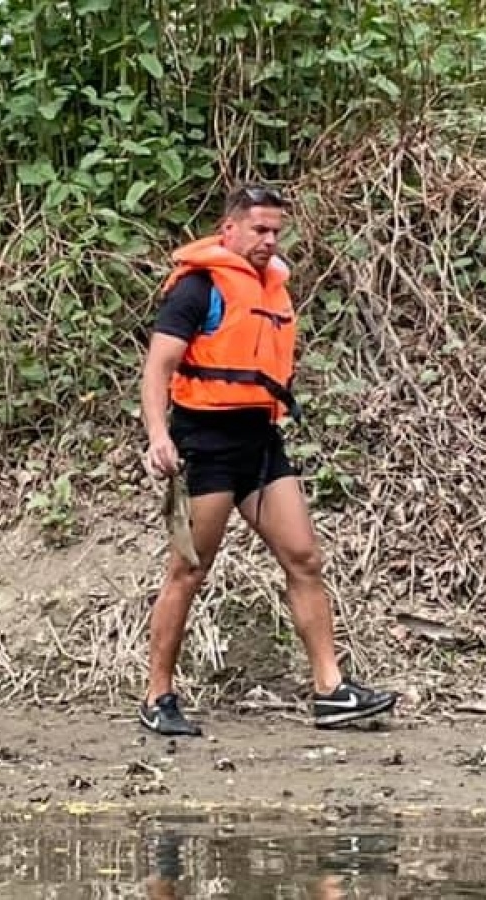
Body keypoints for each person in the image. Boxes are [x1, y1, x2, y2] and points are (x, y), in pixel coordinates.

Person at [136, 183, 398, 736]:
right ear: (228, 229)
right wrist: (159, 435)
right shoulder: (198, 288)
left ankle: (331, 690)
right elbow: (158, 368)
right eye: (258, 229)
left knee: (304, 557)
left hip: (259, 438)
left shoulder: (271, 286)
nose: (268, 240)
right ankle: (158, 695)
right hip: (204, 442)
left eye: (276, 231)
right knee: (188, 569)